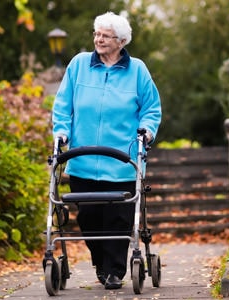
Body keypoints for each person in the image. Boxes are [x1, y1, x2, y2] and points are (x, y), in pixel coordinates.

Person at [52, 11, 162, 290]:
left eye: (105, 35)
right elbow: (63, 104)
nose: (99, 39)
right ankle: (101, 263)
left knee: (118, 218)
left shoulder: (137, 70)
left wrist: (147, 131)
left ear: (121, 41)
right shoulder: (78, 65)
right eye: (96, 34)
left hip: (122, 161)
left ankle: (114, 271)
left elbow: (151, 108)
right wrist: (61, 130)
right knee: (88, 218)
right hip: (83, 159)